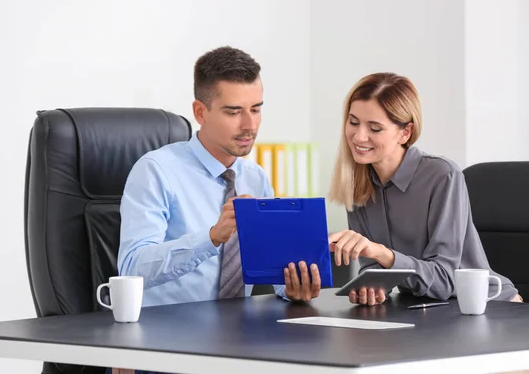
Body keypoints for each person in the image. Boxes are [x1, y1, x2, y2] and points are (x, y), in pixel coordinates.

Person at [111, 46, 323, 374]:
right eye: (233, 111)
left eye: (256, 109)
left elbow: (269, 269)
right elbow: (132, 269)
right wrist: (211, 237)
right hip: (163, 348)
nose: (249, 124)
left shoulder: (255, 177)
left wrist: (293, 288)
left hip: (239, 347)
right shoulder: (156, 170)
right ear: (200, 111)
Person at [327, 72, 523, 306]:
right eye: (353, 122)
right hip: (426, 311)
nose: (359, 136)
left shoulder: (442, 175)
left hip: (486, 306)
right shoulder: (358, 183)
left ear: (405, 132)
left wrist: (381, 253)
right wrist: (373, 289)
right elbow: (375, 271)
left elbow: (444, 280)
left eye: (375, 128)